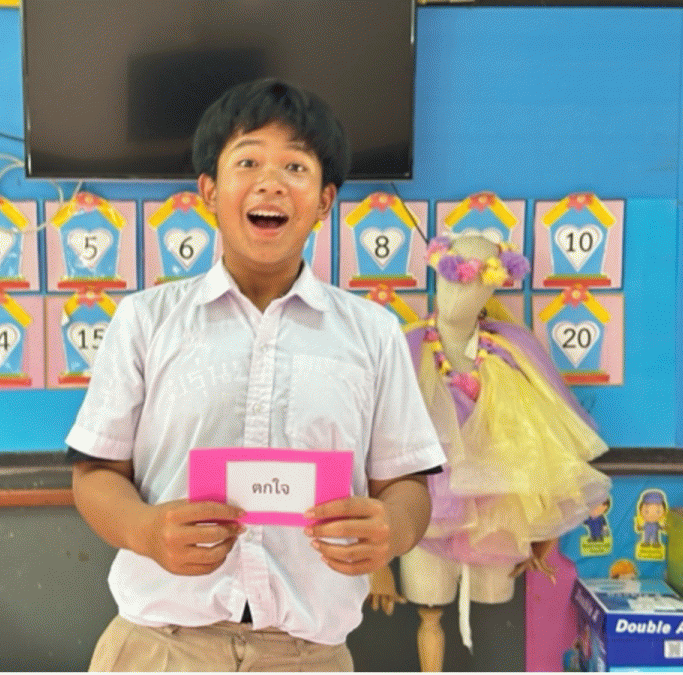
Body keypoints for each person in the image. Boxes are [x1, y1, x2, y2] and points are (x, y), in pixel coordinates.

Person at [65, 78, 446, 672]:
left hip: (308, 656)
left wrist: (393, 530)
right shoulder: (145, 320)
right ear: (209, 191)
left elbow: (407, 486)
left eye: (296, 167)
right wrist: (145, 530)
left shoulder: (373, 333)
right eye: (247, 162)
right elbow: (95, 474)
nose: (271, 182)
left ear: (324, 200)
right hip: (158, 647)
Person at [369, 234, 611, 671]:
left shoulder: (513, 350)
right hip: (427, 503)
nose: (459, 294)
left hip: (499, 508)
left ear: (492, 289)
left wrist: (543, 528)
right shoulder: (405, 348)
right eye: (453, 280)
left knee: (492, 608)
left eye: (474, 284)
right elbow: (374, 441)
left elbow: (545, 439)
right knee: (429, 609)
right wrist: (377, 561)